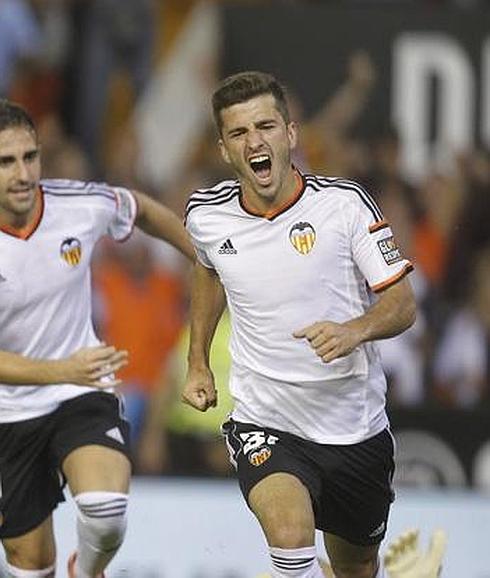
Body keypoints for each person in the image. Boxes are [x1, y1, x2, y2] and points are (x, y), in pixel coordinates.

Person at [182, 71, 416, 578]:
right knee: (290, 542)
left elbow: (403, 304)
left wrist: (354, 329)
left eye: (265, 126)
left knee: (357, 568)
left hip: (353, 428)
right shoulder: (206, 215)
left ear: (291, 134)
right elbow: (207, 272)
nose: (254, 142)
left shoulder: (345, 205)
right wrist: (197, 361)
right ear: (224, 149)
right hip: (266, 421)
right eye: (239, 133)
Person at [0, 99, 194, 578]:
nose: (23, 173)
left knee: (106, 512)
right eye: (6, 161)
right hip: (8, 412)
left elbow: (142, 210)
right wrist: (58, 369)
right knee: (29, 561)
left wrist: (204, 256)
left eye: (30, 157)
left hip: (79, 391)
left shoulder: (77, 204)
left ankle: (86, 572)